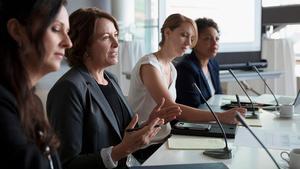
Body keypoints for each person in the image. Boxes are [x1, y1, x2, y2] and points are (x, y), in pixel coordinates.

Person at [46, 8, 181, 169]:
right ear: (83, 44)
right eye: (105, 37)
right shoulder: (69, 88)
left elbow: (120, 133)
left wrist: (147, 125)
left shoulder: (110, 79)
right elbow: (67, 164)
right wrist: (121, 151)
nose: (116, 44)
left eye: (116, 35)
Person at [128, 14, 246, 143]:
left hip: (165, 139)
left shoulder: (172, 68)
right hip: (143, 144)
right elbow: (171, 108)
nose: (189, 43)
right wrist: (221, 117)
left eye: (192, 38)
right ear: (167, 33)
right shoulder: (149, 65)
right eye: (184, 35)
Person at [0, 0, 72, 168]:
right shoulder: (3, 104)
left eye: (67, 32)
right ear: (17, 31)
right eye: (55, 29)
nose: (68, 42)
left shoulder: (32, 103)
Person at [176, 17, 222, 108]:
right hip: (193, 120)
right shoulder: (185, 69)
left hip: (213, 117)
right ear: (193, 41)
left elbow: (219, 97)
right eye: (207, 39)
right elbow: (192, 106)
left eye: (216, 39)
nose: (214, 43)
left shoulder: (214, 64)